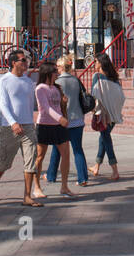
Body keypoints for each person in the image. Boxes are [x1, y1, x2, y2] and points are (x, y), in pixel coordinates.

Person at [0, 49, 41, 206]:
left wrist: (31, 122)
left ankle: (27, 196)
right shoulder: (4, 80)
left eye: (26, 60)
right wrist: (13, 122)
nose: (26, 62)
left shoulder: (28, 81)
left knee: (31, 159)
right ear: (13, 63)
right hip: (9, 127)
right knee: (4, 161)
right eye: (23, 60)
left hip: (28, 127)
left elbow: (30, 104)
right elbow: (3, 105)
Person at [32, 61, 75, 198]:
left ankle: (64, 186)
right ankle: (36, 187)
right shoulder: (40, 88)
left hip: (59, 126)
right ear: (47, 73)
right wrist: (60, 118)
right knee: (40, 157)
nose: (57, 74)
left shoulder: (57, 88)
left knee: (66, 154)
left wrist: (63, 103)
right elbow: (45, 107)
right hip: (44, 125)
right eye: (55, 71)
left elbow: (58, 106)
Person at [47, 54, 89, 188]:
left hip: (62, 120)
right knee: (78, 150)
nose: (56, 69)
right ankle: (83, 178)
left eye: (57, 67)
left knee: (56, 150)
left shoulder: (57, 82)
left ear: (61, 67)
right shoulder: (76, 80)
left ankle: (51, 175)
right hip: (77, 119)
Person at [89, 52, 125, 181]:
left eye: (95, 61)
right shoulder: (115, 79)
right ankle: (96, 166)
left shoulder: (97, 76)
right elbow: (121, 97)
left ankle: (115, 170)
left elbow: (94, 95)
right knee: (103, 138)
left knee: (106, 140)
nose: (94, 64)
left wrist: (94, 109)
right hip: (113, 114)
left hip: (102, 114)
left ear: (100, 63)